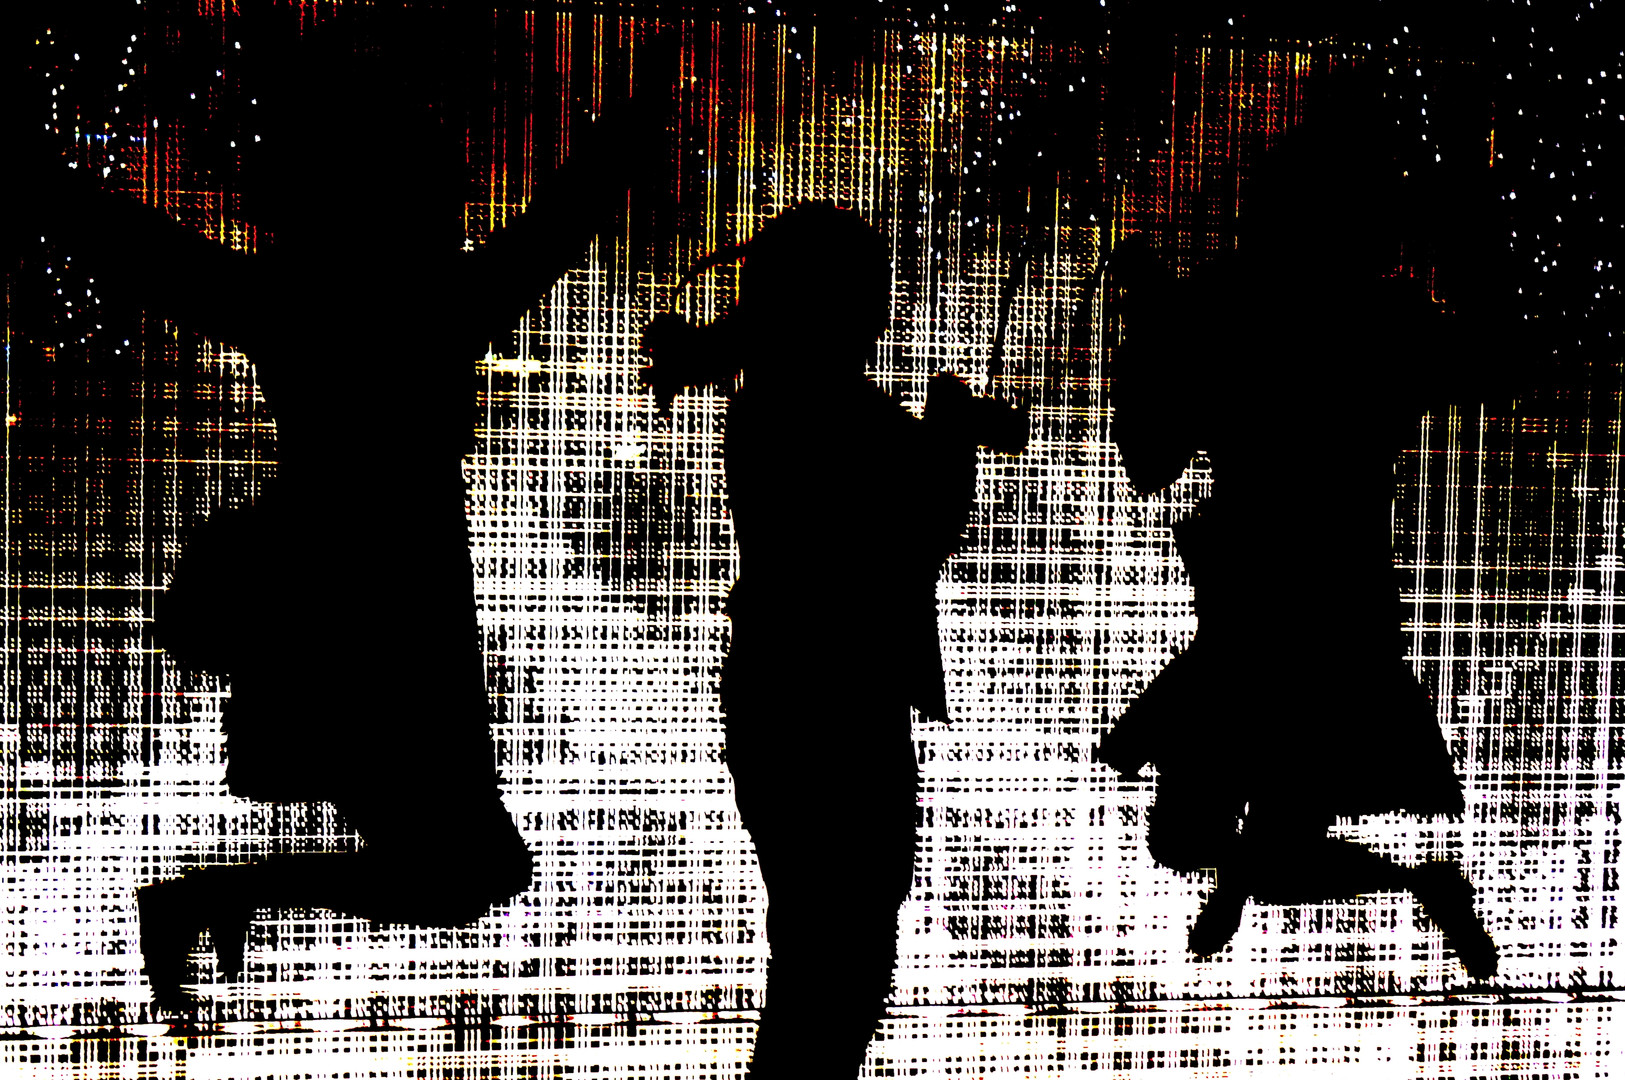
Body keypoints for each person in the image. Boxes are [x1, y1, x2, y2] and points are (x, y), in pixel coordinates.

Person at [23, 21, 670, 1015]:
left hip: (330, 587)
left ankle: (209, 900)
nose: (455, 204)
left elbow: (133, 243)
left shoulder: (294, 302)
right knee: (465, 865)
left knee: (463, 864)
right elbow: (561, 220)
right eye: (442, 189)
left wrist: (41, 183)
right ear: (407, 196)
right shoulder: (438, 304)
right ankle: (207, 900)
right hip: (399, 598)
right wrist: (633, 117)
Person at [1095, 91, 1514, 981]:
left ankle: (1357, 880)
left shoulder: (1228, 308)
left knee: (1194, 837)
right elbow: (1487, 362)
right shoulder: (1379, 319)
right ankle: (1402, 883)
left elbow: (1151, 459)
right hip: (1333, 607)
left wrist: (1153, 334)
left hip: (1258, 614)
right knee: (1231, 841)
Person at [640, 201, 1026, 1079]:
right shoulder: (830, 410)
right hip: (836, 707)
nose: (882, 311)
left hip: (783, 693)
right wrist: (953, 431)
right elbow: (923, 528)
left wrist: (948, 431)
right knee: (841, 953)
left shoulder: (778, 401)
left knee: (822, 950)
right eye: (870, 292)